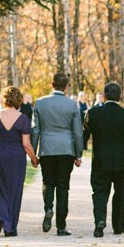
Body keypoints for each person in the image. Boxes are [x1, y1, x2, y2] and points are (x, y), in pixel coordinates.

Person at [83, 82, 124, 237]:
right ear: (120, 96)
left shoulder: (94, 113)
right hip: (121, 162)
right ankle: (118, 226)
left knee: (99, 192)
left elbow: (83, 136)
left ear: (104, 96)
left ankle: (99, 221)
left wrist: (77, 154)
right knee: (120, 193)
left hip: (100, 161)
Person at [0, 86, 39, 237]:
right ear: (19, 100)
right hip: (16, 157)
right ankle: (9, 226)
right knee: (14, 190)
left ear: (5, 100)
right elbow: (26, 144)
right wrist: (34, 159)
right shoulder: (23, 119)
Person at [31, 72, 83, 237]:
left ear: (52, 84)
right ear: (66, 87)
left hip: (47, 149)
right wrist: (78, 153)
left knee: (48, 182)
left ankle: (48, 208)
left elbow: (36, 130)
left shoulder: (40, 103)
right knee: (63, 186)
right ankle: (61, 226)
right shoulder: (72, 105)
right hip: (66, 149)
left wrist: (33, 153)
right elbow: (78, 132)